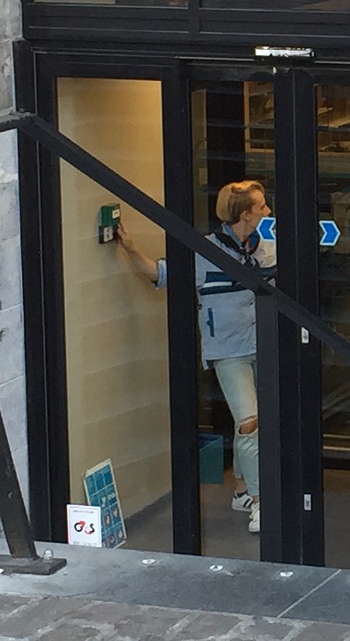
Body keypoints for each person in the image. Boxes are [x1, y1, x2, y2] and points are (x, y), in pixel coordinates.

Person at [116, 180, 276, 534]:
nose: (268, 212)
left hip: (265, 345)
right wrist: (130, 248)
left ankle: (242, 491)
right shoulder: (206, 251)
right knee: (249, 422)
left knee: (255, 422)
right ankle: (261, 502)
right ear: (245, 215)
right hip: (229, 352)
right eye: (262, 207)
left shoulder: (267, 246)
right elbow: (160, 274)